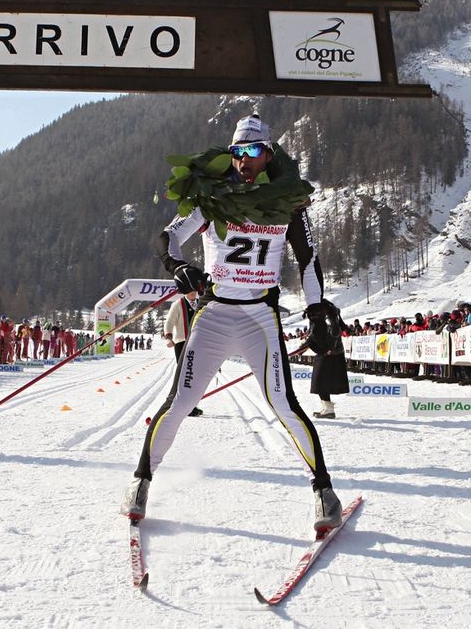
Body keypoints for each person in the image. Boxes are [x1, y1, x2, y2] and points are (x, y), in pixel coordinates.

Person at [121, 114, 343, 533]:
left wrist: (316, 308)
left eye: (254, 151)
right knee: (180, 401)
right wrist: (177, 267)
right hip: (215, 313)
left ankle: (324, 490)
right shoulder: (213, 200)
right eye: (238, 151)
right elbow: (166, 237)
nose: (244, 159)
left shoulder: (287, 203)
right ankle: (140, 482)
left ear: (269, 155)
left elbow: (308, 258)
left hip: (260, 315)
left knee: (284, 405)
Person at [163, 290, 203, 417]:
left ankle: (190, 405)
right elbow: (169, 322)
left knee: (194, 375)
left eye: (195, 290)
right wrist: (169, 337)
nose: (193, 293)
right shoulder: (178, 304)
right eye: (190, 290)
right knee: (184, 374)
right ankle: (180, 404)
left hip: (197, 343)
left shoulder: (200, 303)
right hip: (182, 342)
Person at [311, 300, 350, 419]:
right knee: (320, 382)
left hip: (329, 353)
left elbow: (335, 330)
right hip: (327, 351)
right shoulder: (326, 311)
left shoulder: (327, 313)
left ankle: (328, 409)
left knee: (319, 382)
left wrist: (330, 348)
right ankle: (327, 408)